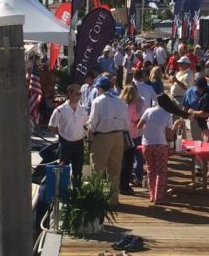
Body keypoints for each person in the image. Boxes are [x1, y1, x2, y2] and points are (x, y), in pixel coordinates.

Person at [87, 77, 130, 205]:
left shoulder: (98, 101)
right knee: (114, 170)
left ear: (100, 88)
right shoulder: (121, 101)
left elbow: (92, 123)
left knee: (97, 169)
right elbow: (126, 122)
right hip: (118, 136)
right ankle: (113, 199)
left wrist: (89, 140)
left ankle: (96, 198)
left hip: (102, 137)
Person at [138, 105, 179, 205]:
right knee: (161, 171)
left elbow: (139, 126)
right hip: (160, 144)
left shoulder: (148, 111)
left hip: (147, 144)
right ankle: (158, 197)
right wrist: (176, 125)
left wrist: (149, 130)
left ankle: (152, 195)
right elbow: (169, 136)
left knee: (150, 170)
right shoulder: (167, 115)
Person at [49, 84, 88, 187]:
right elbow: (51, 126)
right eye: (77, 93)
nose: (79, 96)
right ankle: (62, 193)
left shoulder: (83, 109)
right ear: (69, 94)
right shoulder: (60, 109)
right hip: (65, 144)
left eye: (80, 94)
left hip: (79, 144)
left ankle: (76, 194)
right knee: (63, 170)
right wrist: (61, 133)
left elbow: (85, 125)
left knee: (78, 171)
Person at [119, 85, 144, 194]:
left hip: (120, 133)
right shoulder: (132, 107)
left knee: (121, 160)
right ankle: (125, 185)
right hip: (129, 135)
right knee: (128, 161)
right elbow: (136, 119)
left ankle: (121, 183)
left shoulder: (120, 104)